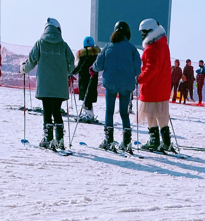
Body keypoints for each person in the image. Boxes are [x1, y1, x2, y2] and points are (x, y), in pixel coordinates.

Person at [20, 18, 74, 150]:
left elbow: (31, 61)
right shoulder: (64, 45)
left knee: (47, 110)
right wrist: (67, 72)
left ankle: (48, 138)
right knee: (57, 111)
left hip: (45, 84)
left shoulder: (40, 43)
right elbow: (72, 62)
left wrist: (23, 69)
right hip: (60, 85)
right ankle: (60, 139)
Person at [93, 20, 141, 152]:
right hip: (126, 85)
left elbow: (98, 65)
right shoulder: (132, 49)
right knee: (124, 113)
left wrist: (92, 69)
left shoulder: (108, 47)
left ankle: (108, 140)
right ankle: (126, 142)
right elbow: (138, 70)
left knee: (109, 111)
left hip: (111, 84)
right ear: (127, 34)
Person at [137, 19, 176, 153]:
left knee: (150, 115)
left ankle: (154, 141)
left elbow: (151, 69)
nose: (142, 35)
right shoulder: (163, 45)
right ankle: (166, 141)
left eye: (143, 33)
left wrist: (139, 78)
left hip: (152, 88)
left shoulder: (151, 48)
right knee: (162, 115)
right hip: (163, 87)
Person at [73, 36, 101, 122]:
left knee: (86, 97)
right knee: (90, 97)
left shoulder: (83, 56)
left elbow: (79, 67)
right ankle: (89, 113)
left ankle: (88, 114)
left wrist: (72, 72)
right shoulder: (95, 56)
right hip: (93, 79)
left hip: (84, 80)